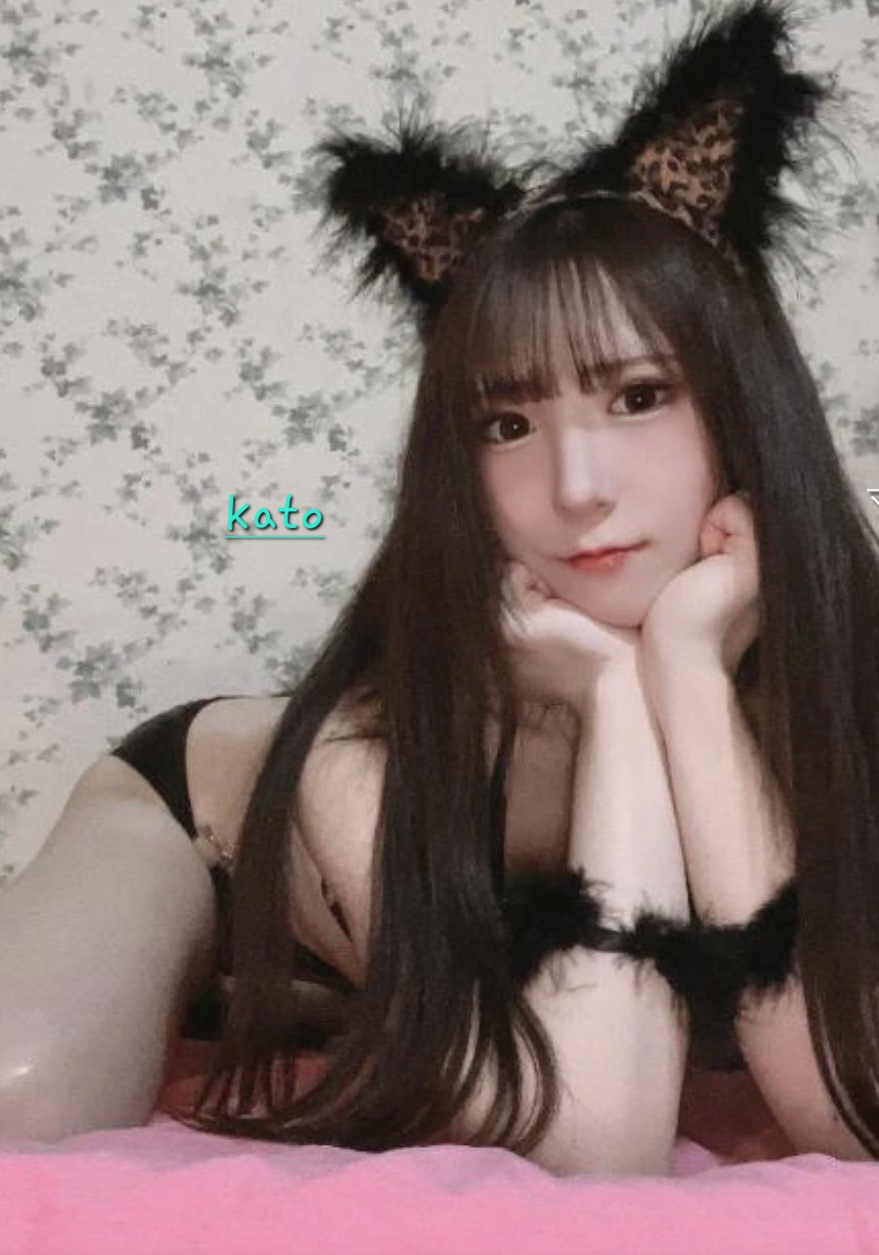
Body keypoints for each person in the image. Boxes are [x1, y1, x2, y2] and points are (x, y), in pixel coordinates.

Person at [1, 0, 877, 1174]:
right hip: (197, 832)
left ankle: (363, 1008)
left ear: (743, 409)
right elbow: (596, 1143)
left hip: (393, 963)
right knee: (24, 1090)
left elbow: (856, 1110)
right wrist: (617, 695)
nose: (577, 487)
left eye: (637, 397)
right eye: (507, 423)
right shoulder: (373, 740)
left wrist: (687, 675)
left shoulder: (839, 685)